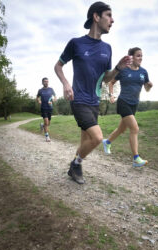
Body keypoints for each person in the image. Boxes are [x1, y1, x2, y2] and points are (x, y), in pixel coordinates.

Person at [54, 1, 132, 184]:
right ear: (96, 17)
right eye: (108, 15)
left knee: (85, 139)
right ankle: (75, 164)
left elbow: (106, 78)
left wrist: (118, 68)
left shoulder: (107, 48)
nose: (112, 20)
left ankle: (76, 168)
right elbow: (58, 66)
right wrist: (66, 84)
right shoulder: (76, 43)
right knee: (97, 138)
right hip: (78, 98)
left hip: (94, 101)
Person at [102, 47, 153, 167]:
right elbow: (111, 82)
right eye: (138, 55)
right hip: (123, 102)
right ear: (131, 57)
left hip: (134, 104)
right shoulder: (123, 71)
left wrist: (149, 86)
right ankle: (136, 158)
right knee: (134, 129)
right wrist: (111, 95)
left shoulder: (143, 72)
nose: (140, 58)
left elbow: (146, 89)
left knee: (122, 129)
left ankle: (107, 142)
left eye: (141, 56)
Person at [36, 77, 56, 142]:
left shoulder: (51, 89)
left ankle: (42, 125)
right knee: (46, 122)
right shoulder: (40, 90)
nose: (46, 82)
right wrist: (39, 101)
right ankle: (47, 137)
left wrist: (53, 100)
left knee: (48, 124)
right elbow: (37, 97)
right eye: (45, 81)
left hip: (50, 108)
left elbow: (55, 97)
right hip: (43, 108)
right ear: (42, 82)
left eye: (47, 81)